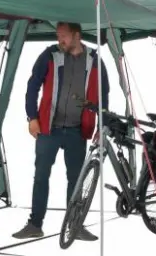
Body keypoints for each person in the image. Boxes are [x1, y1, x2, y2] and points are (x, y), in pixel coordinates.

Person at [12, 21, 110, 239]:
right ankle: (35, 225)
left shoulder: (94, 60)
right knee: (41, 176)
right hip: (49, 129)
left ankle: (74, 226)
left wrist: (102, 126)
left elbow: (104, 95)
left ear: (77, 35)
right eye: (58, 36)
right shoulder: (50, 55)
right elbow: (32, 86)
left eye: (63, 36)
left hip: (77, 130)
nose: (59, 40)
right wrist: (32, 117)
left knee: (76, 180)